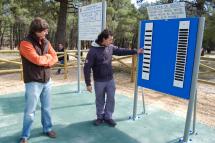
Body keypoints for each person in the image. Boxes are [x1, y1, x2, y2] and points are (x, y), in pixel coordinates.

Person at [83, 29, 143, 127]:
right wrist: (88, 83)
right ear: (104, 39)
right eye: (110, 40)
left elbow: (121, 51)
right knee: (99, 100)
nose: (111, 42)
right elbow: (87, 68)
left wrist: (136, 51)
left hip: (110, 80)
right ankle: (100, 117)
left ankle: (108, 117)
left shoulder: (110, 47)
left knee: (111, 99)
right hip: (99, 81)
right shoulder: (93, 51)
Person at [18, 17, 58, 143]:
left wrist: (45, 60)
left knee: (47, 108)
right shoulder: (25, 43)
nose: (46, 33)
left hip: (47, 80)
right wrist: (47, 58)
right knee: (30, 111)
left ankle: (47, 128)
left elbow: (55, 57)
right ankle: (25, 136)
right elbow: (37, 60)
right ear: (36, 30)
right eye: (44, 31)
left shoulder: (46, 41)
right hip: (33, 81)